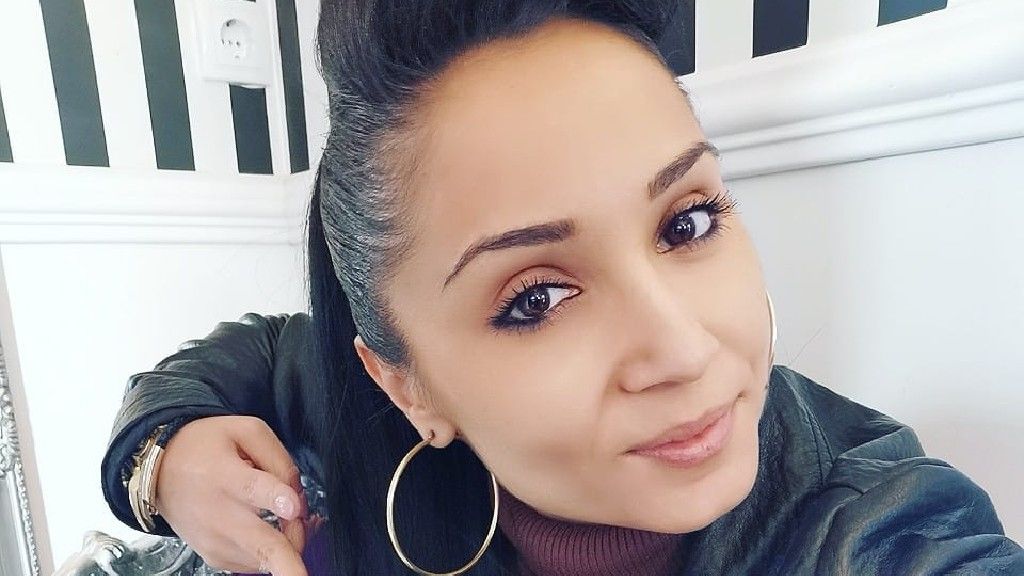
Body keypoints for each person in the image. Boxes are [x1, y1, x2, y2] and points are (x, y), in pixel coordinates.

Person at [100, 1, 1024, 575]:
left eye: (686, 223)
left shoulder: (882, 528)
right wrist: (157, 460)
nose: (685, 349)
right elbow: (261, 352)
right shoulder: (350, 401)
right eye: (536, 299)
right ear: (406, 386)